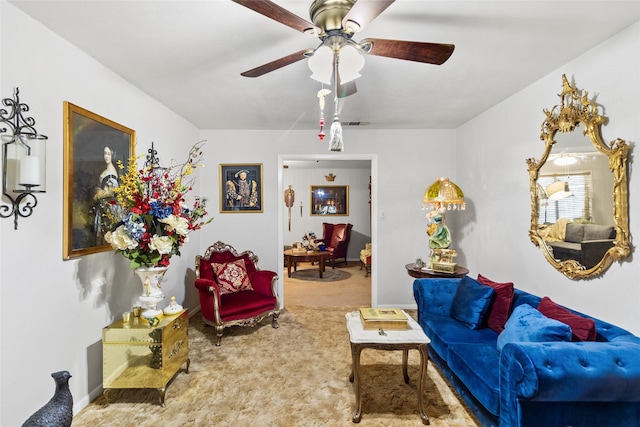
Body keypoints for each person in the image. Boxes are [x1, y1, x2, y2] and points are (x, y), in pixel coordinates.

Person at [92, 146, 122, 244]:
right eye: (105, 153)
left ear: (113, 155)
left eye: (109, 154)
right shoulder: (106, 171)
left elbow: (112, 191)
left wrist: (98, 195)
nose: (106, 156)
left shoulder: (112, 172)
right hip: (103, 207)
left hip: (108, 208)